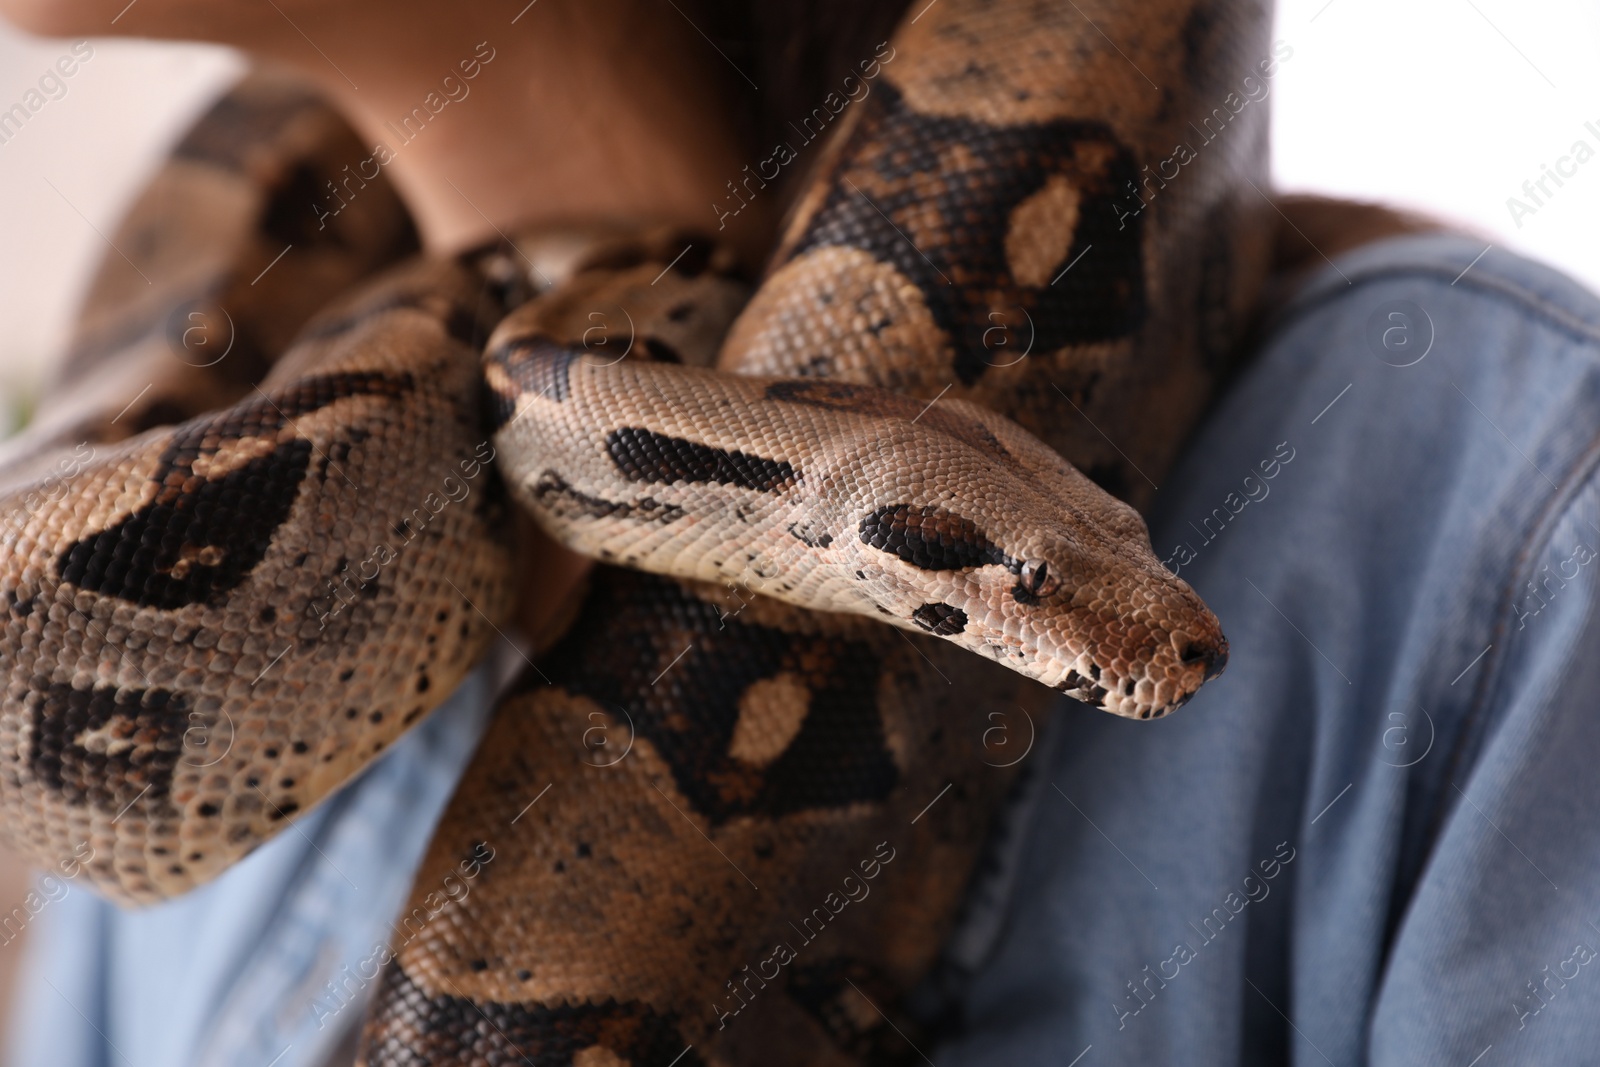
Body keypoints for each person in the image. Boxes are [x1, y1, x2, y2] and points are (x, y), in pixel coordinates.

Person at [5, 1, 1600, 1064]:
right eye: (1041, 590)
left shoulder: (1502, 532)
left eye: (1056, 578)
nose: (1136, 630)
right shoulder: (173, 556)